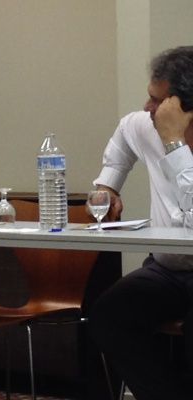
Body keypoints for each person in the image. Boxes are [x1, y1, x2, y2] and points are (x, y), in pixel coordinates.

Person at [89, 46, 193, 400]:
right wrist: (108, 186)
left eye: (158, 101)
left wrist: (175, 143)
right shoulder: (143, 125)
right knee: (109, 316)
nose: (148, 107)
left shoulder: (169, 135)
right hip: (167, 268)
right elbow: (122, 139)